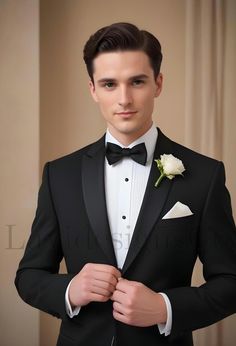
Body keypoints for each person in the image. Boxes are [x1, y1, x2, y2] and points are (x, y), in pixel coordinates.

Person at [15, 22, 236, 346]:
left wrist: (165, 308)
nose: (124, 98)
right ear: (92, 89)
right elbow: (29, 276)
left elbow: (231, 280)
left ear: (158, 84)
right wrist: (69, 290)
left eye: (137, 81)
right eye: (109, 84)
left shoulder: (205, 175)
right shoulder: (58, 175)